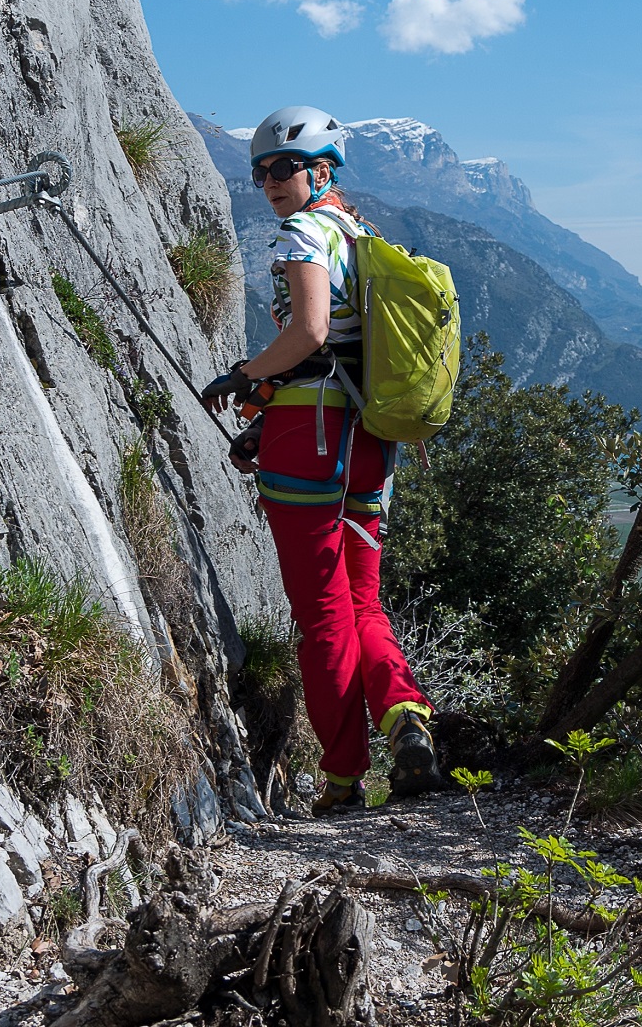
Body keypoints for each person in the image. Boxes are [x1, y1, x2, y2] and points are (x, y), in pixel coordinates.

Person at [199, 105, 441, 815]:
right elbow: (344, 347)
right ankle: (407, 720)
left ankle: (343, 780)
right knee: (363, 598)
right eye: (261, 172)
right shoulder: (361, 235)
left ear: (322, 170)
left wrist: (245, 376)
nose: (270, 182)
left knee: (323, 613)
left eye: (284, 168)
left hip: (310, 436)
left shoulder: (304, 233)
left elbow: (308, 333)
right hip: (369, 439)